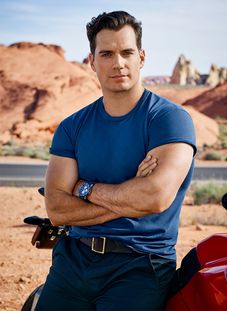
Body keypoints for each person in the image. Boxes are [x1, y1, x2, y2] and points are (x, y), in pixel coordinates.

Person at [35, 10, 197, 311]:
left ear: (142, 57)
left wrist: (83, 188)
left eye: (127, 52)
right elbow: (57, 209)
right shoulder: (73, 126)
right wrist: (130, 195)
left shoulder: (169, 120)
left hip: (140, 265)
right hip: (73, 260)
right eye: (107, 53)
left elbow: (155, 197)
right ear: (92, 61)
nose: (118, 63)